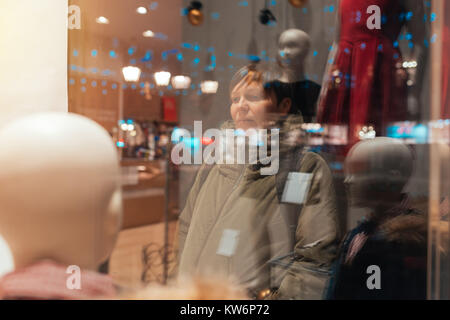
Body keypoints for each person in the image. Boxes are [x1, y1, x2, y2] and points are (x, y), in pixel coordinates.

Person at [177, 64, 342, 300]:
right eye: (235, 99)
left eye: (253, 97)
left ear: (283, 106)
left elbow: (315, 259)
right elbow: (186, 227)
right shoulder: (215, 162)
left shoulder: (303, 167)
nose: (241, 106)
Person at [327, 137, 427, 299]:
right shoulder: (364, 232)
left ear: (390, 180)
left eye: (357, 173)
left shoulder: (409, 240)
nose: (347, 181)